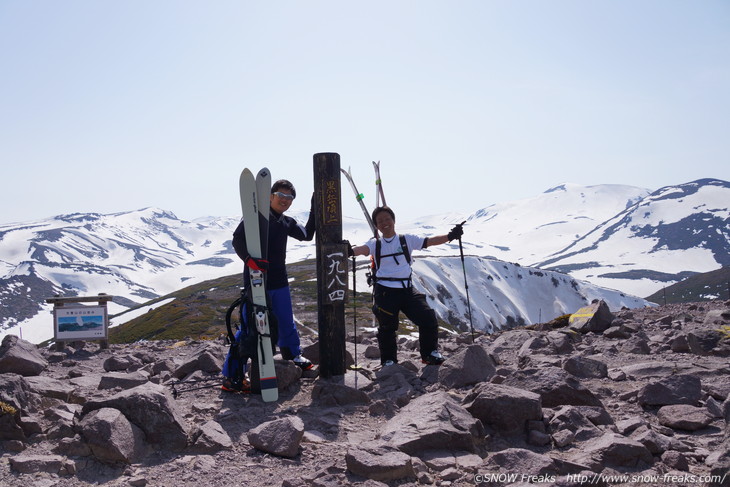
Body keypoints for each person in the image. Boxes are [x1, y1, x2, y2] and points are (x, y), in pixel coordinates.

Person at [222, 179, 316, 392]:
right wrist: (249, 260)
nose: (284, 200)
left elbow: (307, 235)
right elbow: (237, 239)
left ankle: (293, 356)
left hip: (279, 280)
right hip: (255, 282)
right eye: (280, 195)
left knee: (285, 321)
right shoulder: (256, 217)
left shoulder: (286, 222)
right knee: (249, 328)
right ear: (270, 196)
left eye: (289, 198)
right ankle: (231, 375)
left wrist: (315, 209)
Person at [349, 206, 463, 367]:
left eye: (387, 219)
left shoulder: (406, 240)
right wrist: (349, 251)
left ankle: (429, 354)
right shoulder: (375, 244)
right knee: (387, 327)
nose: (384, 223)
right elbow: (362, 250)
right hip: (385, 292)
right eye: (380, 221)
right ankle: (389, 360)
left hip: (407, 290)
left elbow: (429, 242)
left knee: (428, 317)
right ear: (376, 226)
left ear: (393, 220)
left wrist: (450, 236)